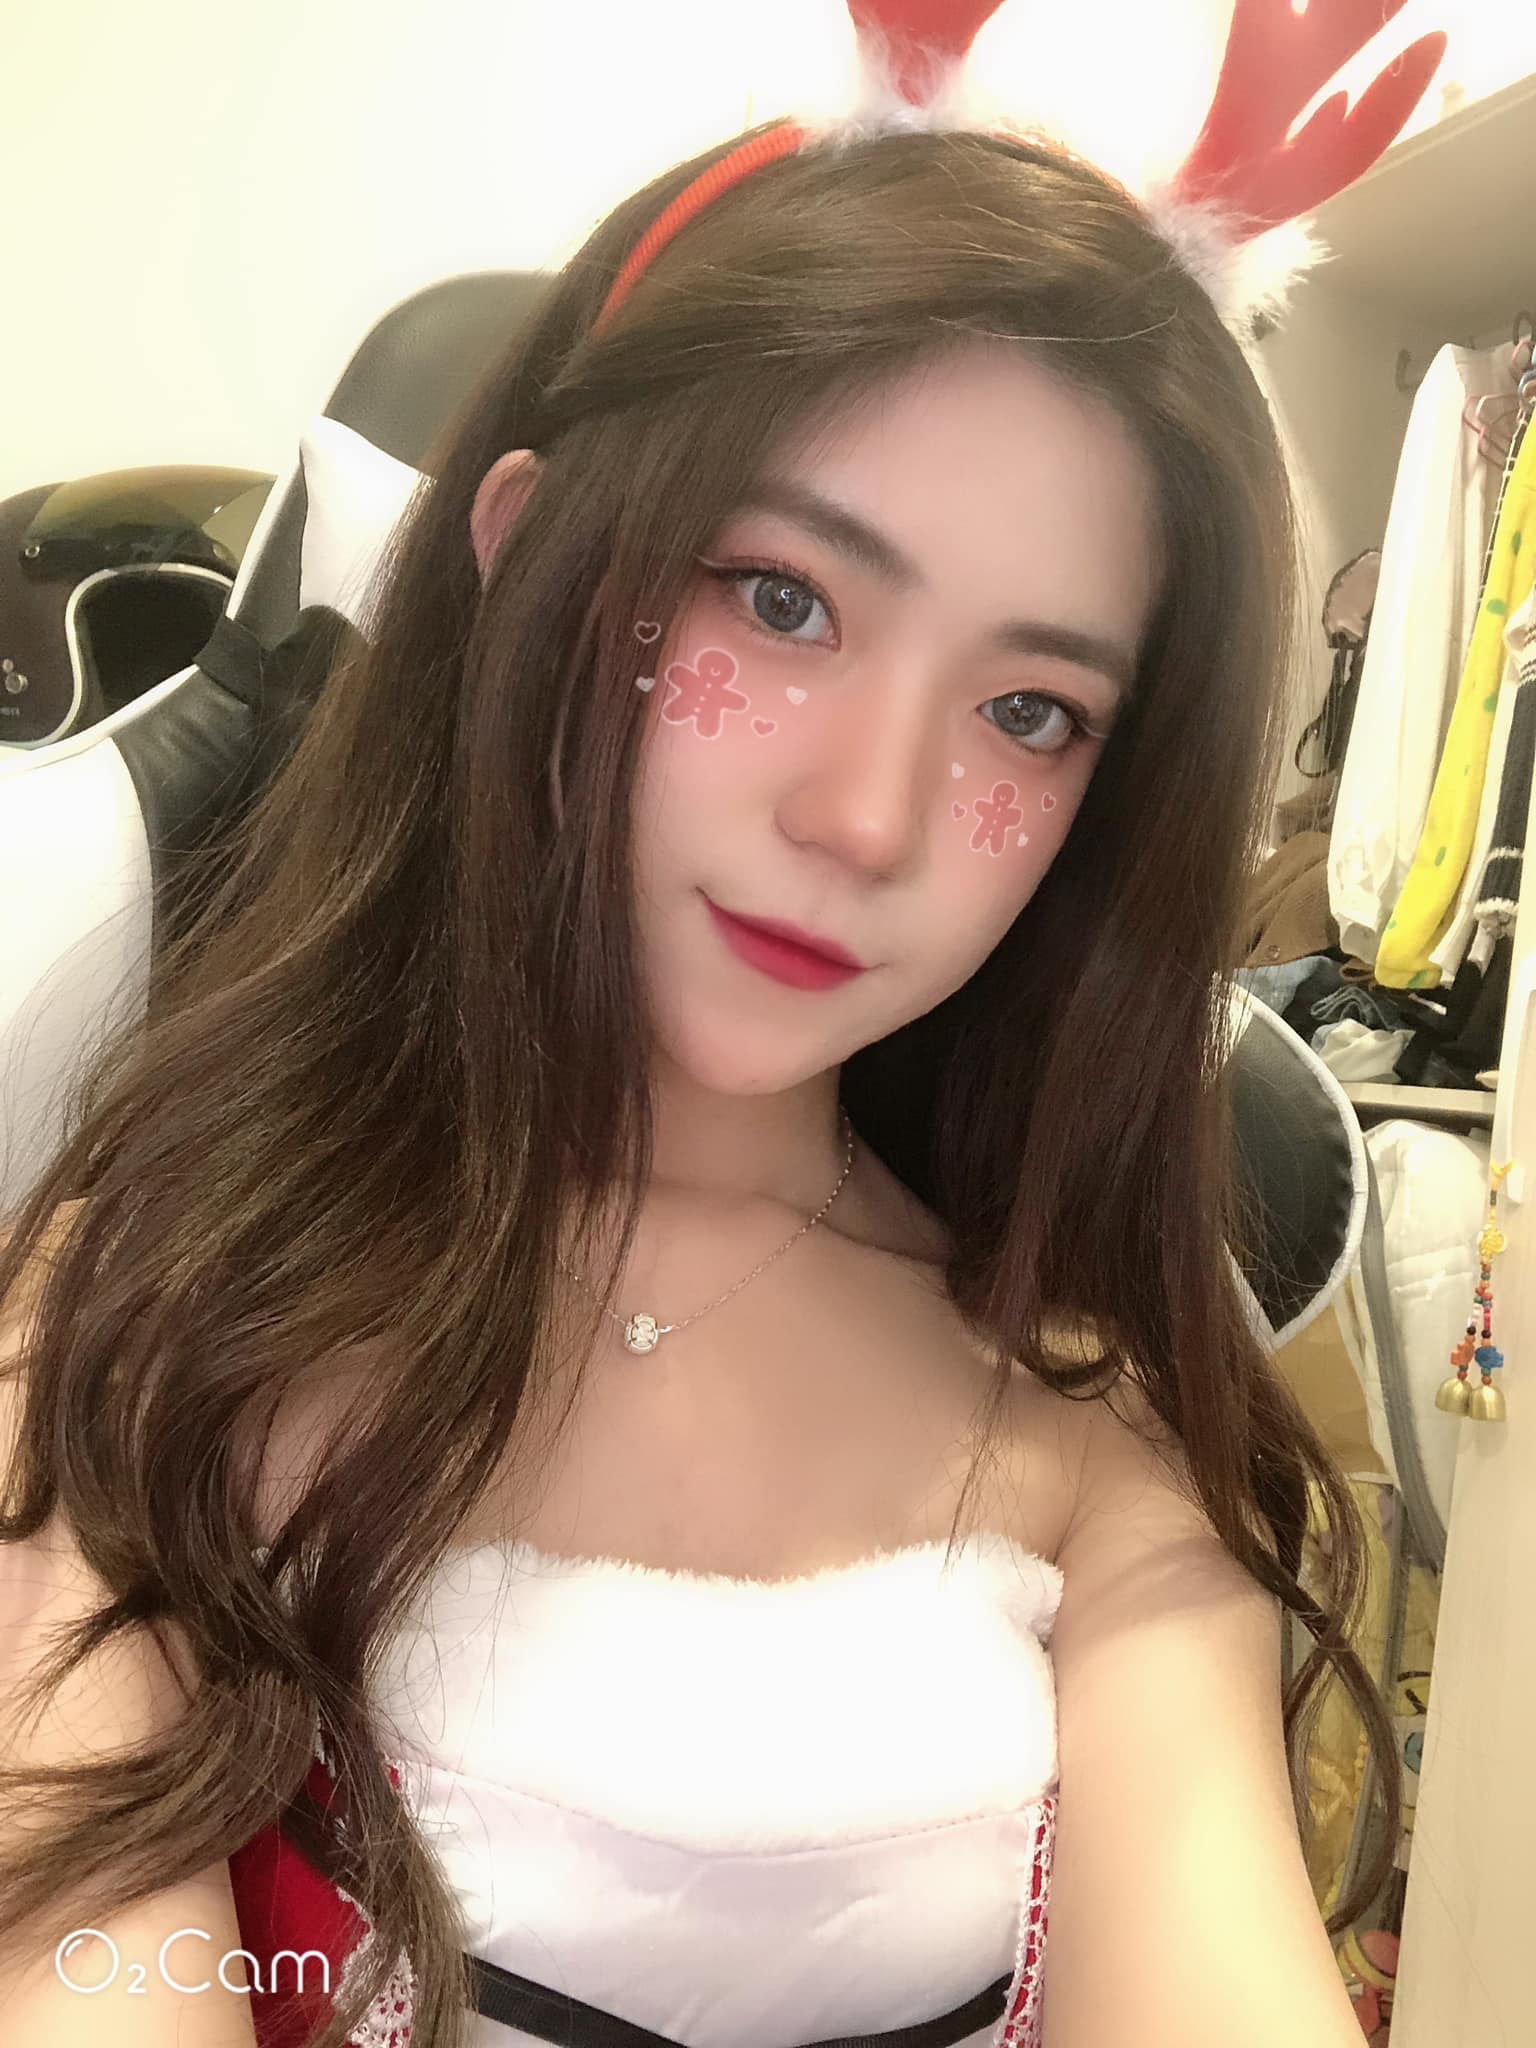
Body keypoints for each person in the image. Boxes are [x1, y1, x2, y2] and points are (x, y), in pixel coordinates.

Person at [1, 3, 1443, 2044]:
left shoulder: (1089, 1411)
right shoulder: (151, 1309)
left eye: (1028, 711)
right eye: (782, 601)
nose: (868, 819)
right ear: (527, 555)